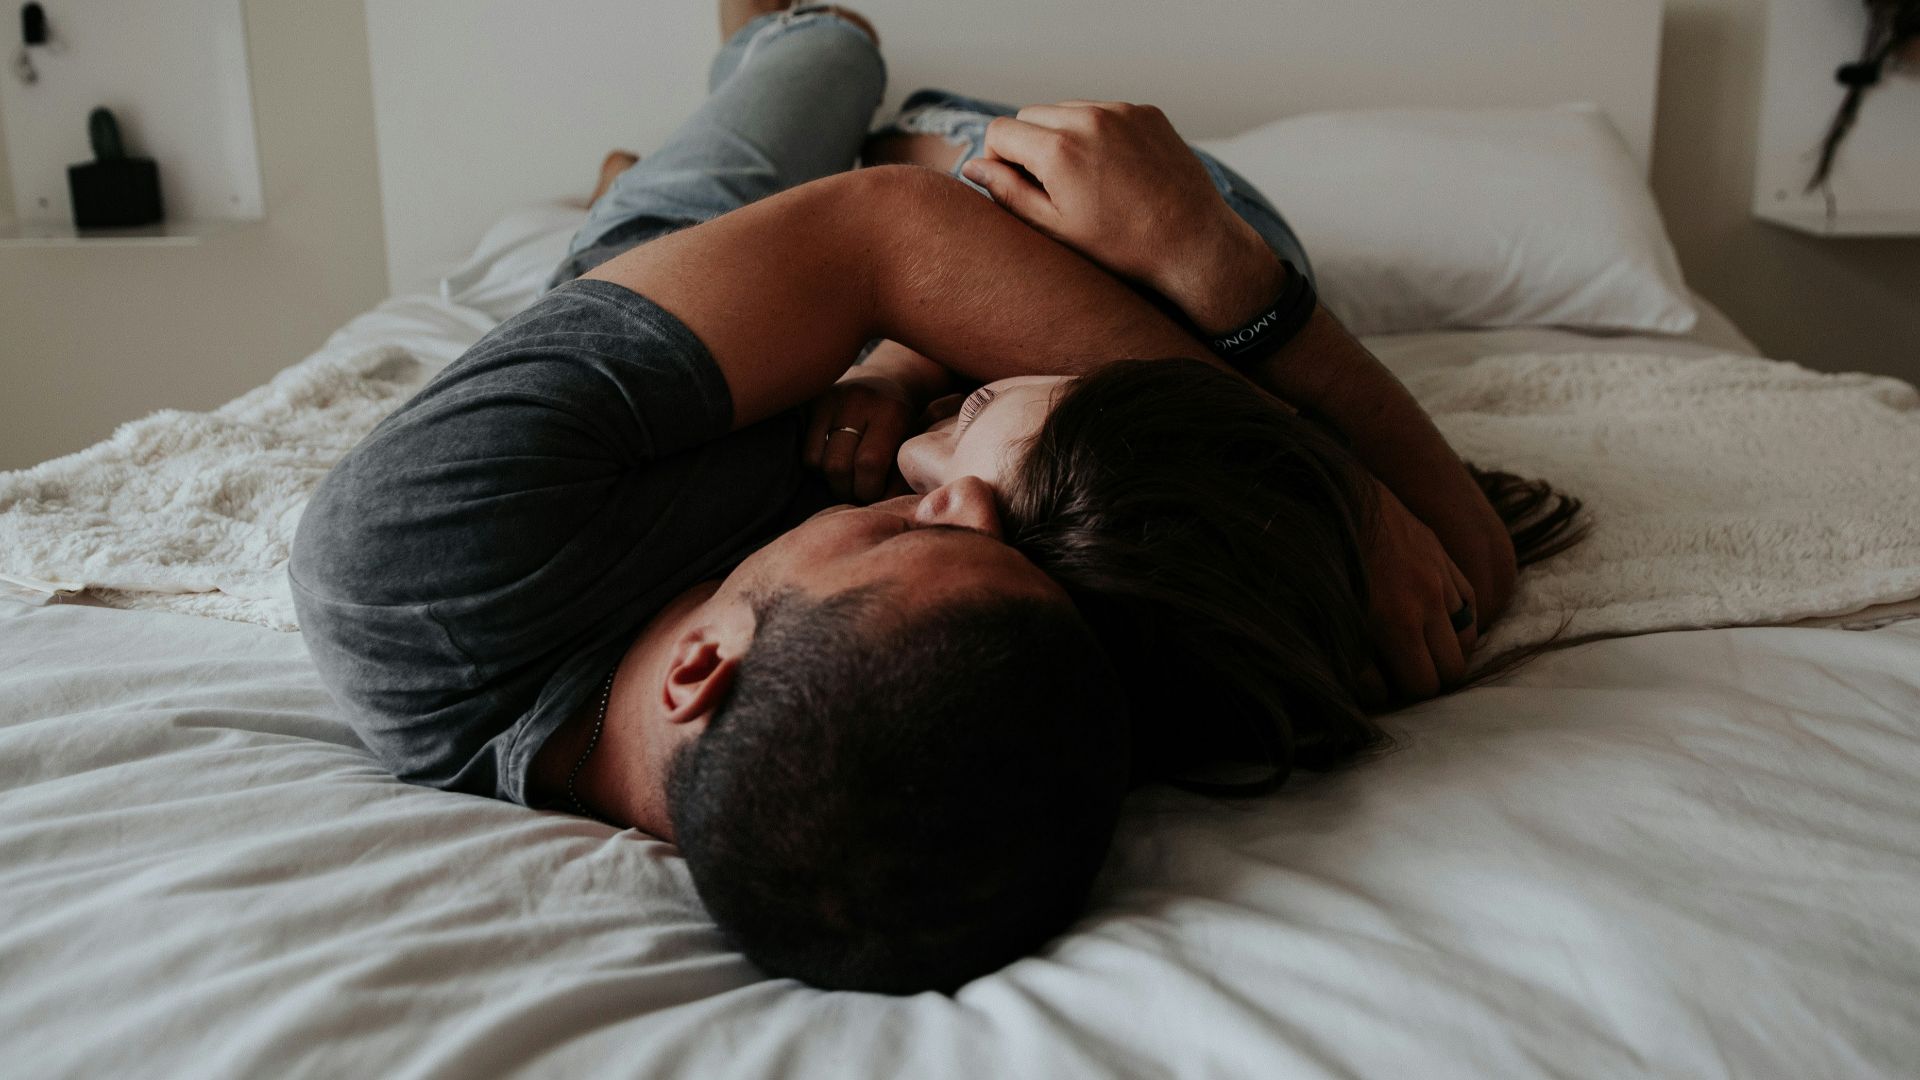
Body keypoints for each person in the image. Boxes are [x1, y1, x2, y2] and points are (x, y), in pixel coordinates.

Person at [288, 0, 1522, 994]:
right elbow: (1452, 572)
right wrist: (1312, 436)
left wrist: (907, 323)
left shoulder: (410, 562)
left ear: (699, 665)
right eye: (990, 538)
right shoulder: (1016, 708)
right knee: (1196, 238)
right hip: (931, 267)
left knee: (819, 57)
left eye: (904, 528)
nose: (949, 491)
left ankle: (750, 103)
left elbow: (888, 235)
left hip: (676, 287)